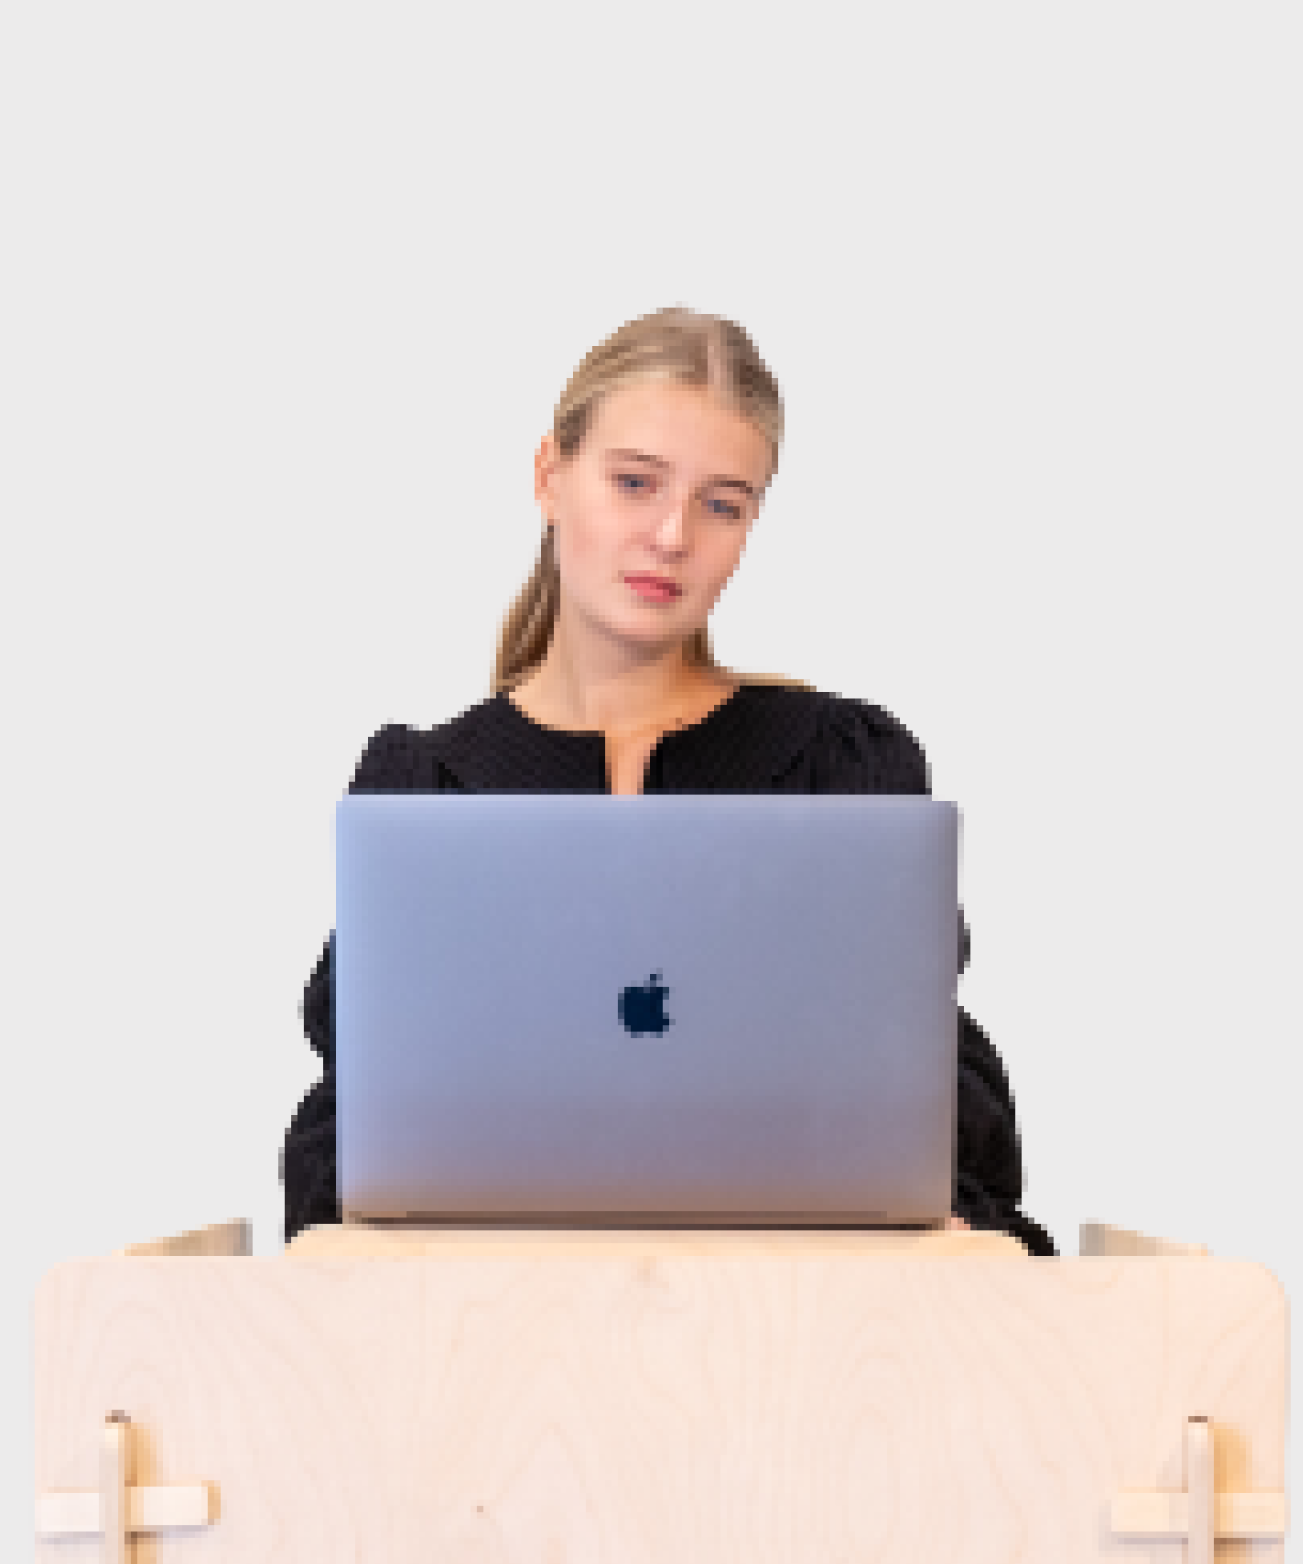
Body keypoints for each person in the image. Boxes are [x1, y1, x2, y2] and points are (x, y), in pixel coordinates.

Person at [280, 309, 1052, 1251]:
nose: (673, 534)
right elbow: (355, 1112)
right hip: (498, 1334)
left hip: (796, 1331)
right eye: (635, 483)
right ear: (549, 477)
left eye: (723, 503)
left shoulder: (841, 766)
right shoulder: (427, 786)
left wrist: (965, 1222)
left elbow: (924, 1079)